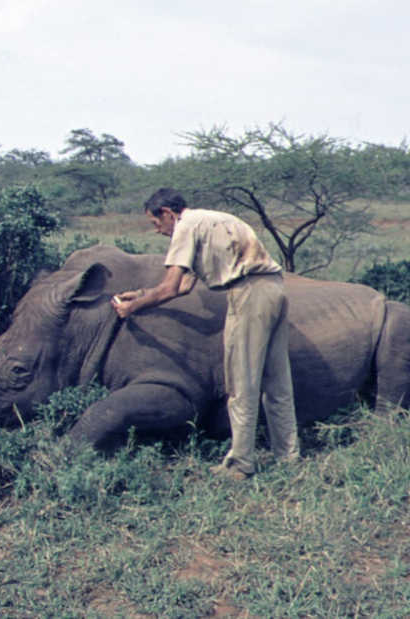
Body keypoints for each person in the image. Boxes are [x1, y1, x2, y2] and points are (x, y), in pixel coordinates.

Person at [112, 188, 299, 480]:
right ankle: (288, 458)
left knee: (242, 383)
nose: (158, 230)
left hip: (248, 294)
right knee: (277, 384)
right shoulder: (209, 220)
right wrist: (140, 294)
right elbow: (186, 286)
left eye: (156, 223)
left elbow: (171, 288)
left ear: (168, 213)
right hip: (274, 288)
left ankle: (240, 465)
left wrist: (132, 308)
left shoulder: (185, 227)